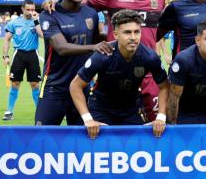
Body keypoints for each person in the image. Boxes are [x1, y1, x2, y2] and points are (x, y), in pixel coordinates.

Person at [43, 0, 166, 123]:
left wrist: (151, 44)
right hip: (114, 67)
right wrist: (58, 2)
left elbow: (158, 29)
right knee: (105, 125)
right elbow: (81, 7)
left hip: (147, 69)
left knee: (156, 126)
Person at [70, 10, 169, 139]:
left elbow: (164, 86)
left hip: (131, 110)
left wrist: (161, 117)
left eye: (136, 32)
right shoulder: (103, 55)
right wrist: (88, 119)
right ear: (115, 35)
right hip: (101, 109)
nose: (133, 37)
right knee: (102, 149)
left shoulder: (150, 57)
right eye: (127, 32)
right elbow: (75, 86)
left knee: (136, 147)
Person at [35, 0, 112, 126]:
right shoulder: (49, 13)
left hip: (81, 85)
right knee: (42, 136)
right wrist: (94, 47)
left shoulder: (91, 13)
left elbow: (98, 39)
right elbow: (61, 48)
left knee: (80, 139)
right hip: (54, 87)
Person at [1, 0, 43, 121]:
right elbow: (7, 39)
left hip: (33, 55)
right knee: (15, 83)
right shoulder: (14, 23)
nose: (31, 12)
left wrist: (36, 21)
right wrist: (5, 56)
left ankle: (39, 112)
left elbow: (41, 35)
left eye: (33, 9)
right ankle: (9, 111)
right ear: (22, 9)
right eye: (28, 9)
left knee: (35, 84)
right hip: (18, 55)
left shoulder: (37, 21)